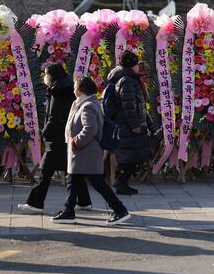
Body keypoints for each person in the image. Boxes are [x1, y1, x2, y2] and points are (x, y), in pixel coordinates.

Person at [52, 76, 131, 225]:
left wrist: (76, 141)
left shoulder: (87, 106)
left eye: (75, 86)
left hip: (86, 152)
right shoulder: (85, 103)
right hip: (83, 154)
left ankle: (120, 210)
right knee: (73, 182)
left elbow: (90, 129)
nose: (73, 89)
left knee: (98, 184)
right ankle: (69, 211)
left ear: (81, 89)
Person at [18, 63, 91, 214]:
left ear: (52, 76)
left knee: (45, 172)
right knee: (74, 170)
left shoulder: (58, 92)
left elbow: (54, 118)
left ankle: (35, 203)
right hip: (67, 136)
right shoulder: (67, 88)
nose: (45, 77)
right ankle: (84, 202)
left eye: (46, 74)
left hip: (57, 138)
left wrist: (44, 133)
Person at [107, 50, 152, 195]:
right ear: (133, 65)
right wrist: (135, 125)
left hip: (127, 124)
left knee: (132, 155)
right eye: (137, 64)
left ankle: (122, 183)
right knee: (131, 156)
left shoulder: (126, 78)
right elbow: (128, 105)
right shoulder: (127, 80)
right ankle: (121, 182)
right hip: (128, 125)